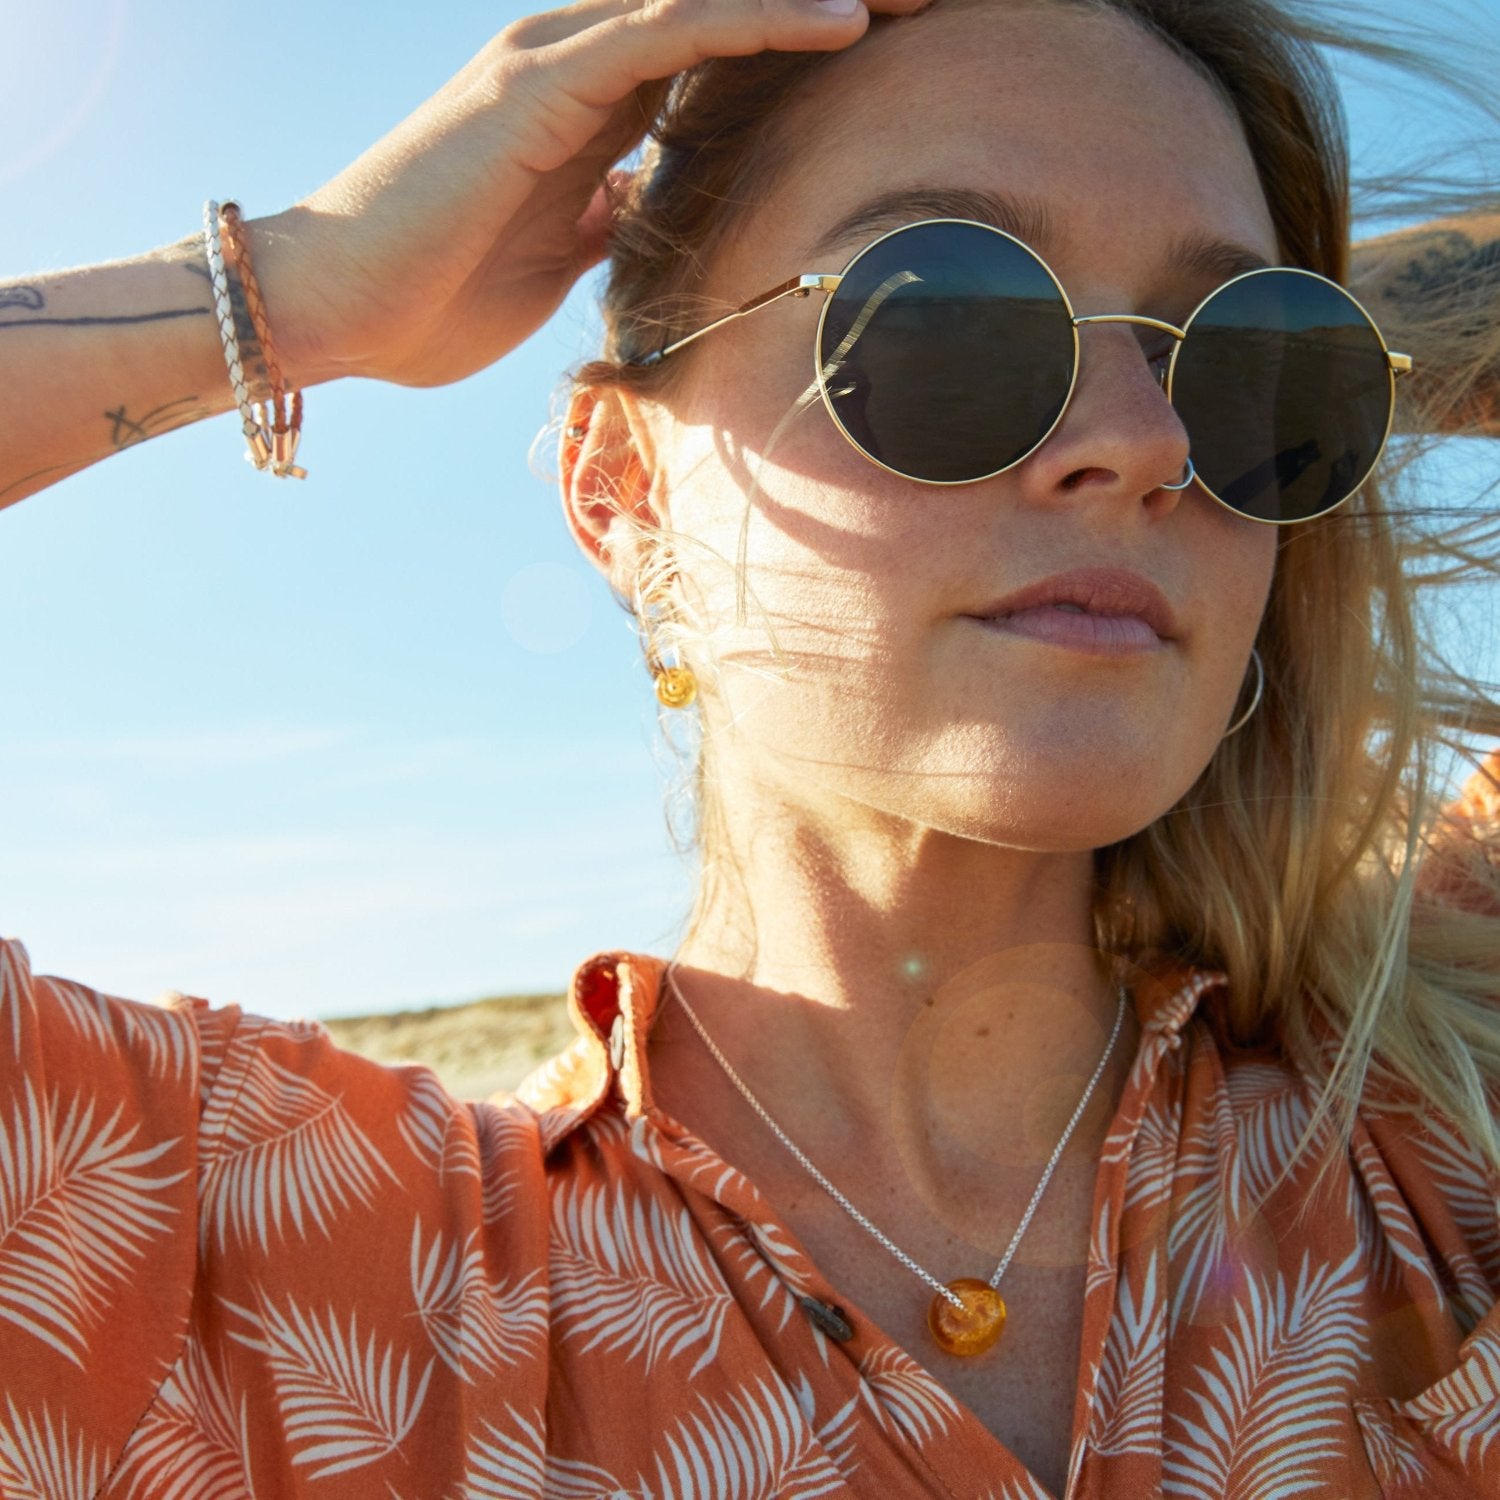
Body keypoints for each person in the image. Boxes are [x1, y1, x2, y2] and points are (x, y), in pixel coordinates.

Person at [2, 0, 1498, 1494]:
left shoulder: (1448, 1121)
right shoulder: (268, 1264)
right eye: (941, 317)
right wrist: (294, 287)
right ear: (622, 489)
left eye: (1234, 371)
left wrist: (1326, 352)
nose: (1147, 440)